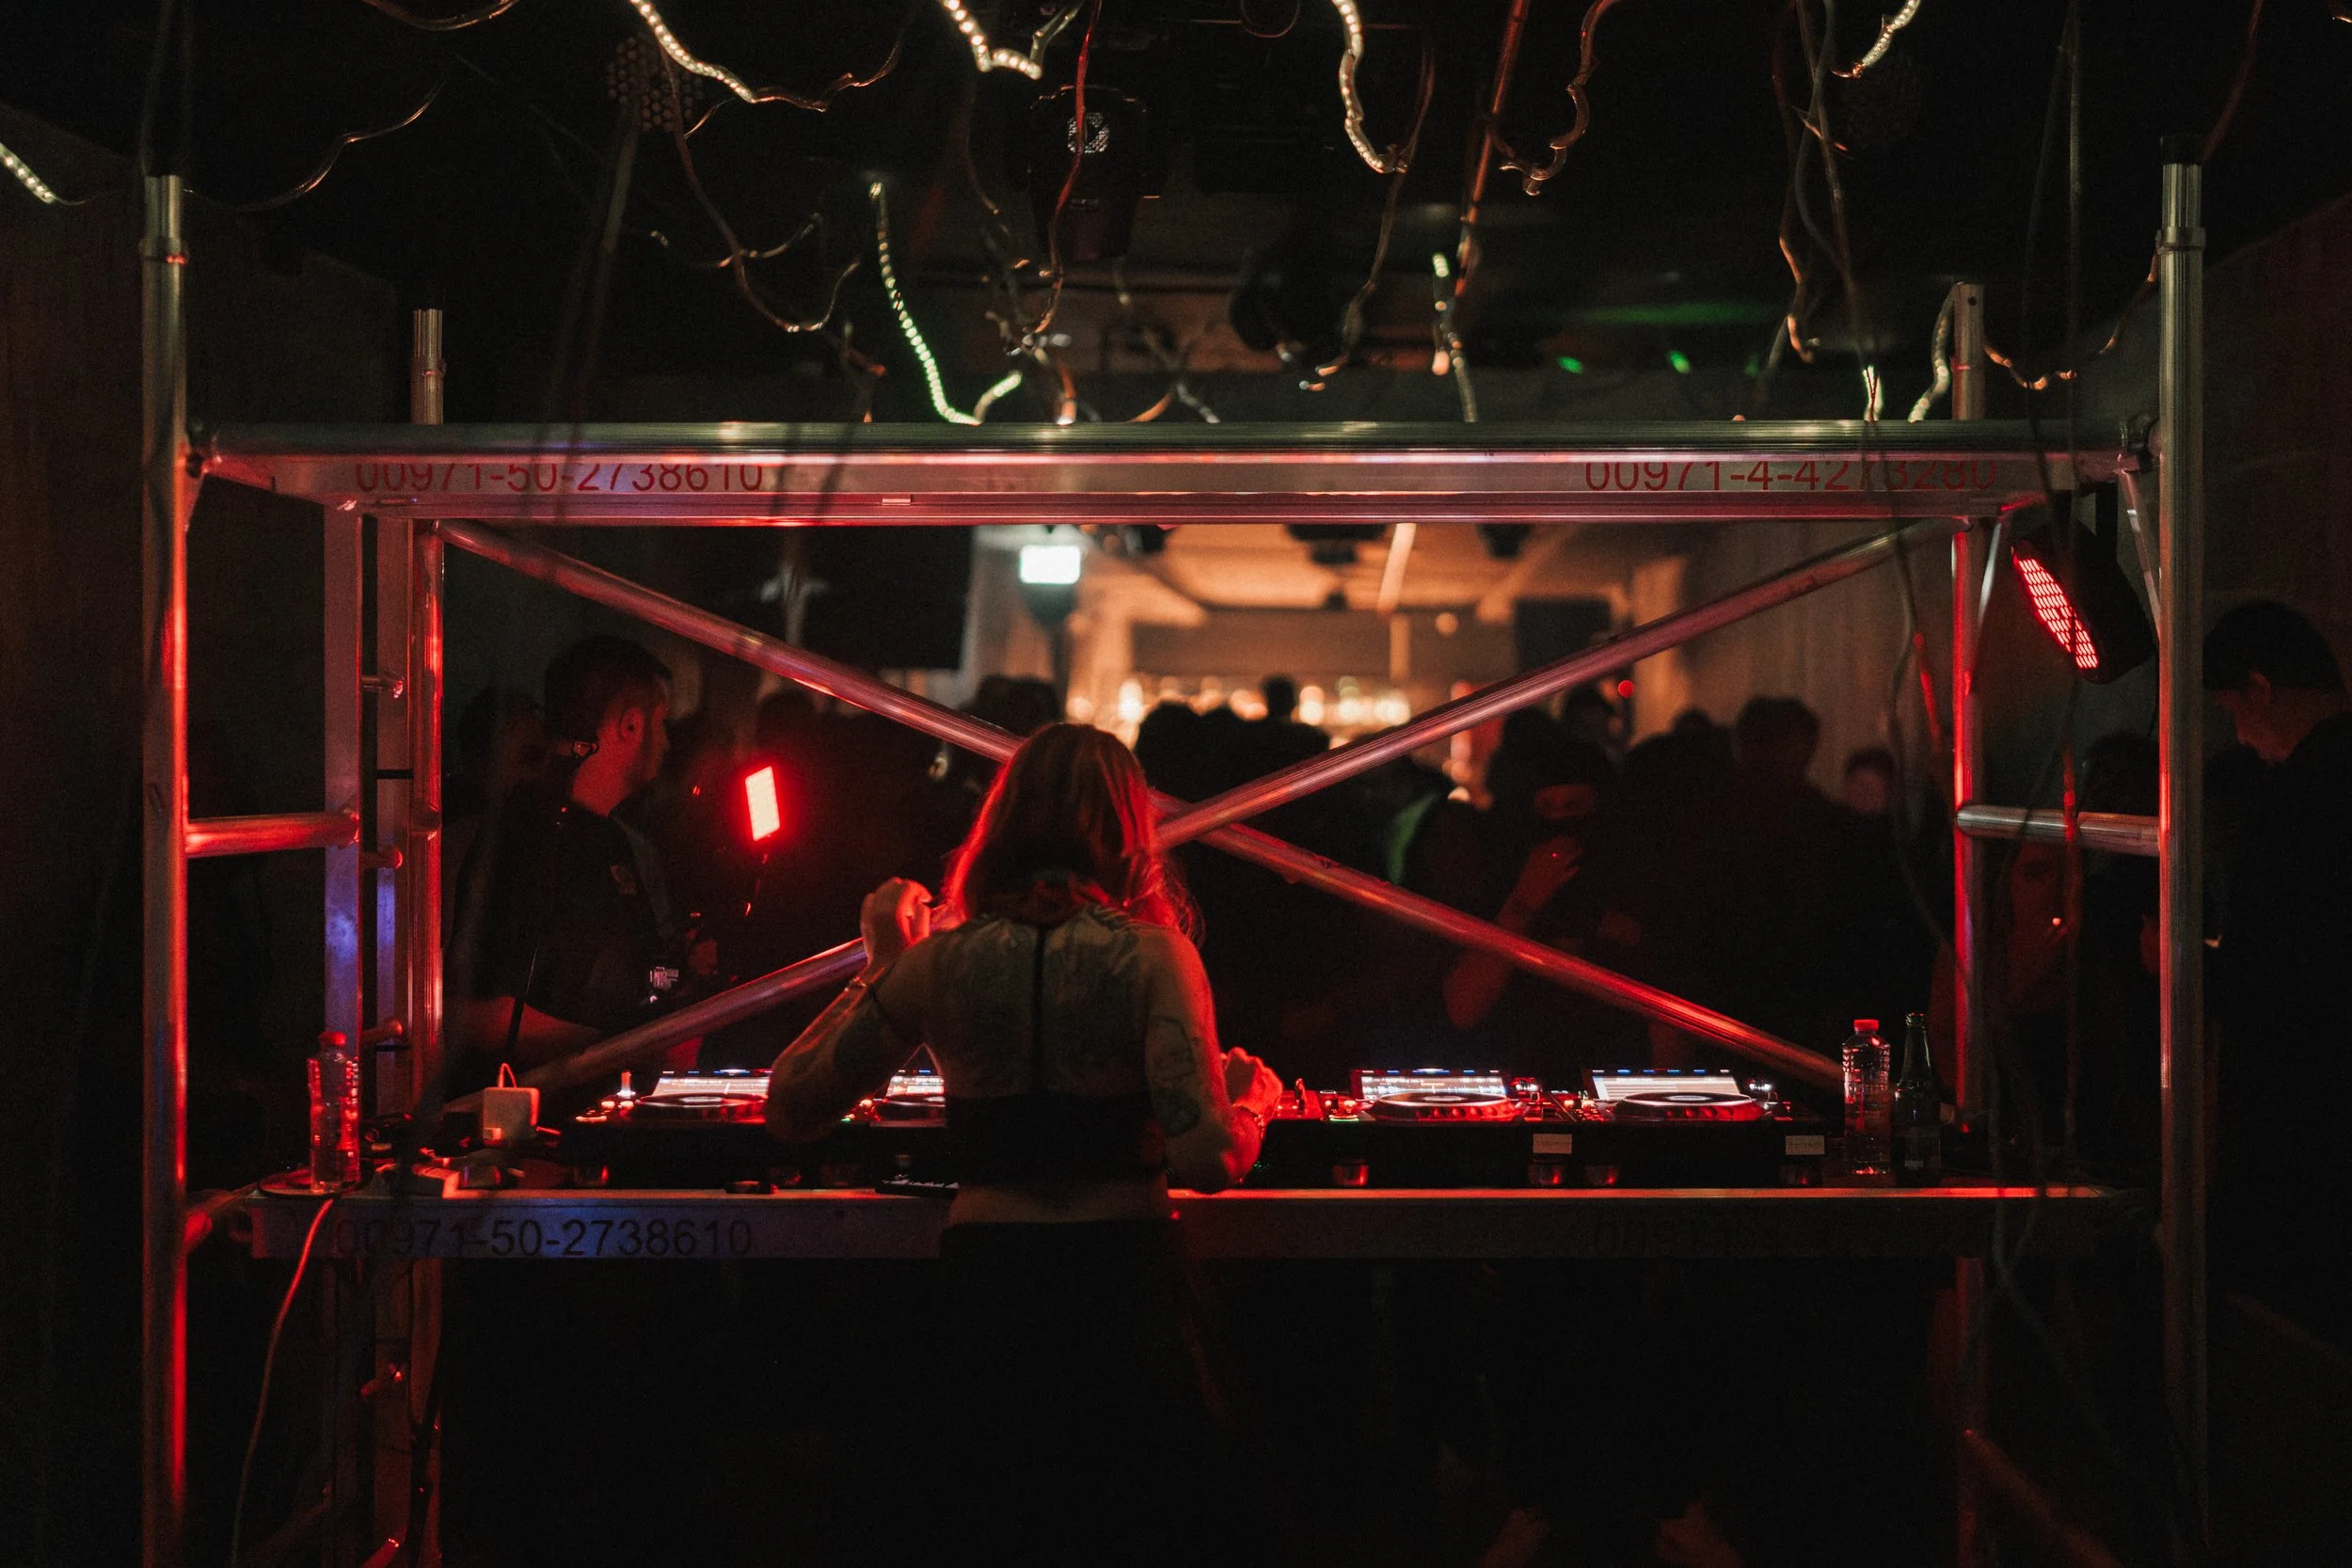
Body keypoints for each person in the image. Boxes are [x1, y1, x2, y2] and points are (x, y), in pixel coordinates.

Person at [764, 723, 1282, 1565]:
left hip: (989, 1288)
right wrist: (1254, 1103)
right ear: (1127, 829)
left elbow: (791, 1105)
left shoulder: (941, 964)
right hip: (1123, 1289)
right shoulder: (1155, 956)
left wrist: (883, 964)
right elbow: (1206, 1159)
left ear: (1001, 821)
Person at [446, 635, 690, 1119]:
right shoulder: (526, 838)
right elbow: (474, 1015)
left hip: (596, 1113)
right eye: (660, 724)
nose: (666, 742)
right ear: (630, 725)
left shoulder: (610, 841)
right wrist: (616, 1045)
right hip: (528, 1133)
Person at [2203, 600, 2352, 1344]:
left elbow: (2262, 974)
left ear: (2258, 691)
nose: (2236, 732)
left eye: (2233, 708)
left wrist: (2182, 964)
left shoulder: (2294, 803)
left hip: (2301, 1123)